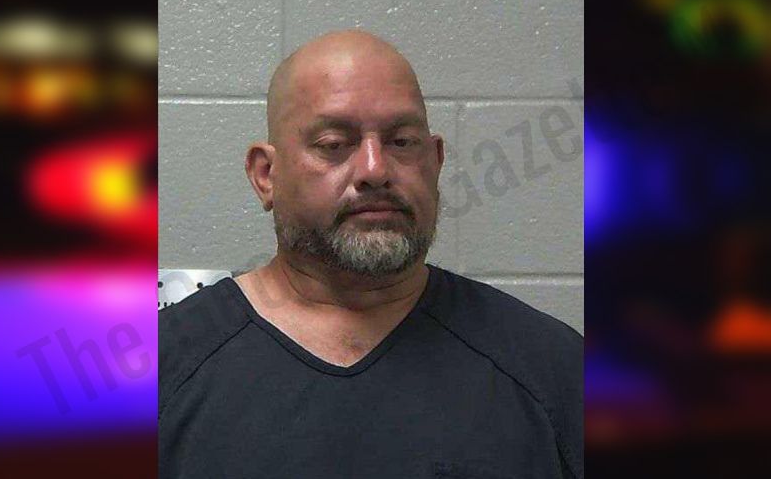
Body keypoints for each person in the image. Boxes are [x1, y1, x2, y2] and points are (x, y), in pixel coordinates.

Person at [159, 30, 583, 479]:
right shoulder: (156, 373)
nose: (375, 170)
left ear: (435, 162)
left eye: (402, 142)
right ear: (267, 175)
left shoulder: (553, 370)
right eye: (333, 144)